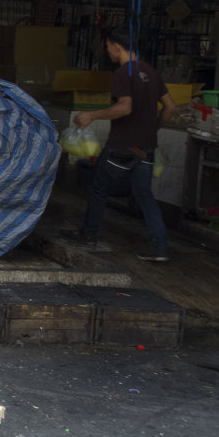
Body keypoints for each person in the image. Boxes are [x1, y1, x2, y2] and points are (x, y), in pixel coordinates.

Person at [65, 26, 178, 262]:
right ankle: (159, 248)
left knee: (98, 188)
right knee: (145, 195)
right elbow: (170, 107)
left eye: (108, 48)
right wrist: (153, 129)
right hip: (146, 147)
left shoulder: (123, 73)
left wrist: (92, 115)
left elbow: (124, 108)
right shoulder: (151, 72)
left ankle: (88, 235)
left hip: (122, 145)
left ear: (117, 46)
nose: (108, 52)